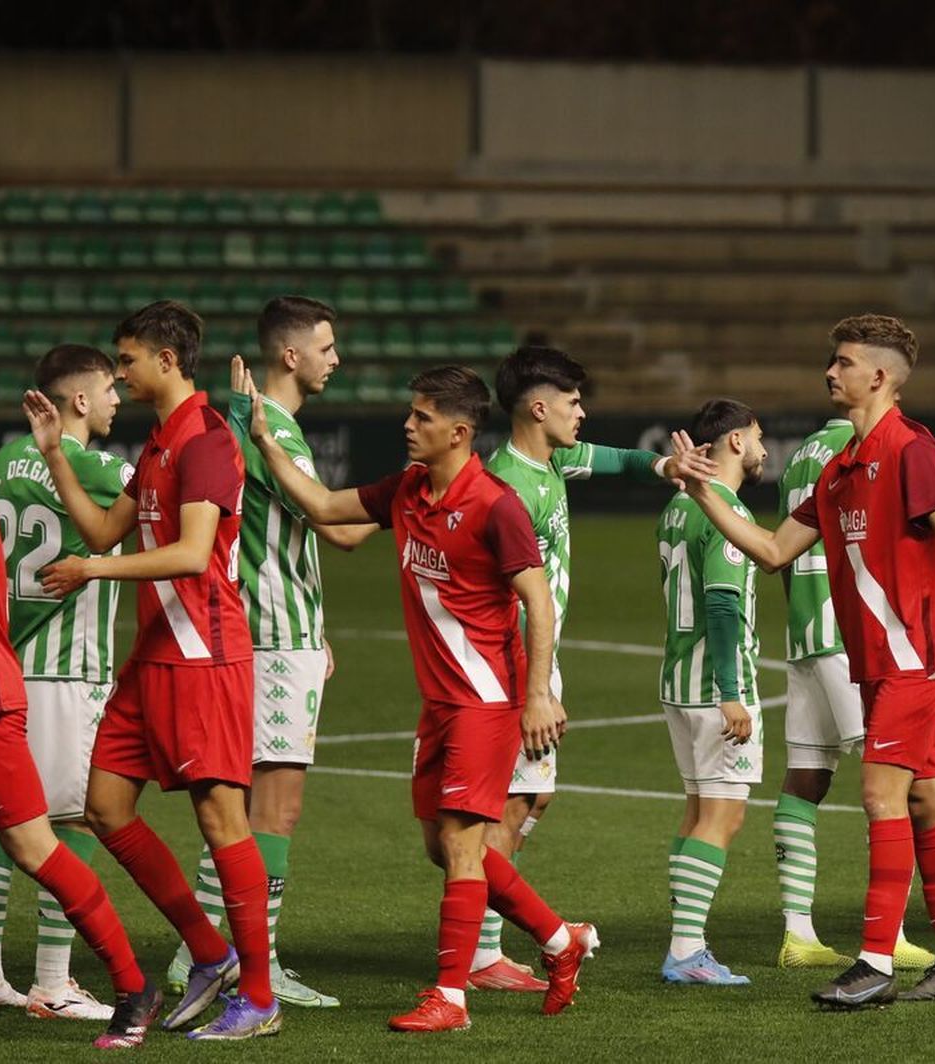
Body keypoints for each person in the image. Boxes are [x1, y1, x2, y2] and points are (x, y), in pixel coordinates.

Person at [239, 364, 597, 1032]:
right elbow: (324, 508)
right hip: (439, 703)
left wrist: (538, 695)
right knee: (443, 846)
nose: (408, 425)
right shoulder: (407, 489)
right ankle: (560, 939)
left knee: (462, 844)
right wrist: (264, 441)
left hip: (486, 699)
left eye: (422, 417)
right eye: (411, 413)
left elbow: (539, 601)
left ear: (458, 432)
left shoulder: (496, 505)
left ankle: (450, 997)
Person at [668, 313, 935, 1008]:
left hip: (915, 660)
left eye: (843, 362)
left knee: (880, 795)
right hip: (873, 666)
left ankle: (874, 963)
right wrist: (703, 492)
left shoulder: (911, 448)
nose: (829, 371)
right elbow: (771, 550)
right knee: (925, 799)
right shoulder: (840, 470)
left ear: (879, 376)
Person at [25, 301, 279, 1040]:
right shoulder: (162, 441)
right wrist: (55, 456)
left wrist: (92, 570)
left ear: (167, 361)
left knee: (221, 819)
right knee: (105, 806)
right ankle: (209, 953)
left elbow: (193, 554)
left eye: (128, 359)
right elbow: (104, 528)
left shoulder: (206, 439)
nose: (120, 372)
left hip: (204, 654)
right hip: (155, 656)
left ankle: (258, 996)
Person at [168, 298, 371, 1008]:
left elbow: (278, 539)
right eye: (327, 346)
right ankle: (261, 962)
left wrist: (315, 627)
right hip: (274, 639)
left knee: (240, 804)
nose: (335, 359)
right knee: (274, 810)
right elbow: (337, 528)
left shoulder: (253, 423)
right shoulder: (272, 429)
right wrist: (419, 486)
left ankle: (199, 952)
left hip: (277, 632)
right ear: (291, 355)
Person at [774, 414, 935, 971]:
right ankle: (924, 951)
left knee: (855, 788)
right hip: (871, 647)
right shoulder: (851, 459)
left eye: (843, 367)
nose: (833, 373)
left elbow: (784, 551)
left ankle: (848, 948)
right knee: (907, 796)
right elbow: (869, 540)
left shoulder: (826, 454)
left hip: (853, 644)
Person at [0, 366, 159, 1051]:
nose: (116, 399)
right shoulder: (99, 468)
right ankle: (49, 979)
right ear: (78, 398)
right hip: (63, 667)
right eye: (108, 387)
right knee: (62, 822)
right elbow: (157, 507)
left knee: (16, 824)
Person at [477, 345, 678, 992]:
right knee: (507, 806)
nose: (582, 412)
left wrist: (666, 465)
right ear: (539, 409)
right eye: (572, 402)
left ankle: (482, 943)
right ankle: (481, 955)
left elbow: (620, 459)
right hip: (514, 665)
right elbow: (506, 598)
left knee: (531, 797)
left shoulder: (552, 460)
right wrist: (534, 690)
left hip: (535, 660)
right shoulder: (508, 488)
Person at [657, 399, 767, 986]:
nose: (764, 449)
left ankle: (685, 941)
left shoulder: (677, 507)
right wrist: (731, 691)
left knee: (698, 811)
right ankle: (686, 950)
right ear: (734, 442)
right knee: (723, 816)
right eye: (757, 437)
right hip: (714, 685)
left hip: (679, 679)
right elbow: (722, 605)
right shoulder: (724, 511)